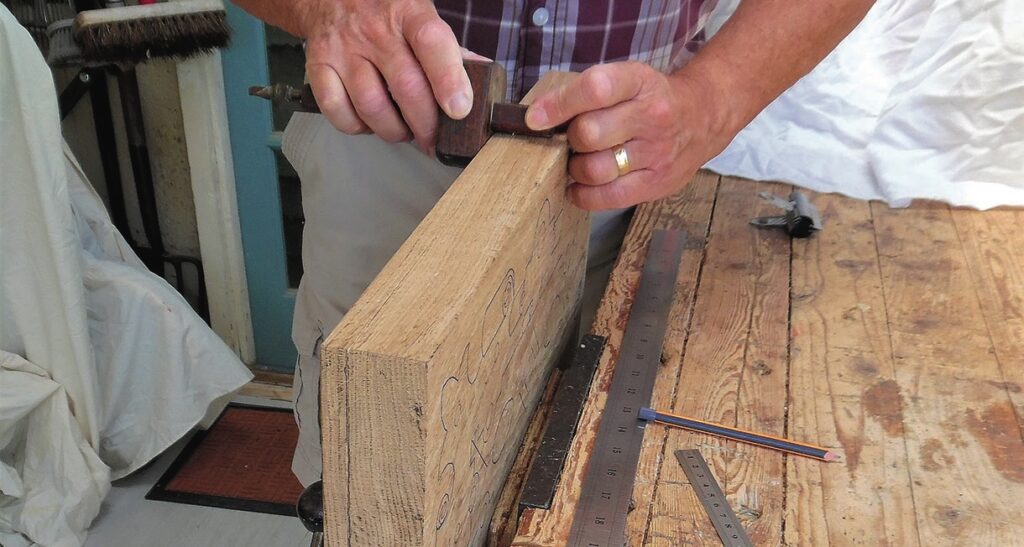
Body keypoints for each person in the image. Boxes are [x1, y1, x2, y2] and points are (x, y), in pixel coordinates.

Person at [233, 0, 874, 486]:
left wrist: (711, 101)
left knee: (580, 470)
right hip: (387, 127)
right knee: (372, 462)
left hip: (626, 148)